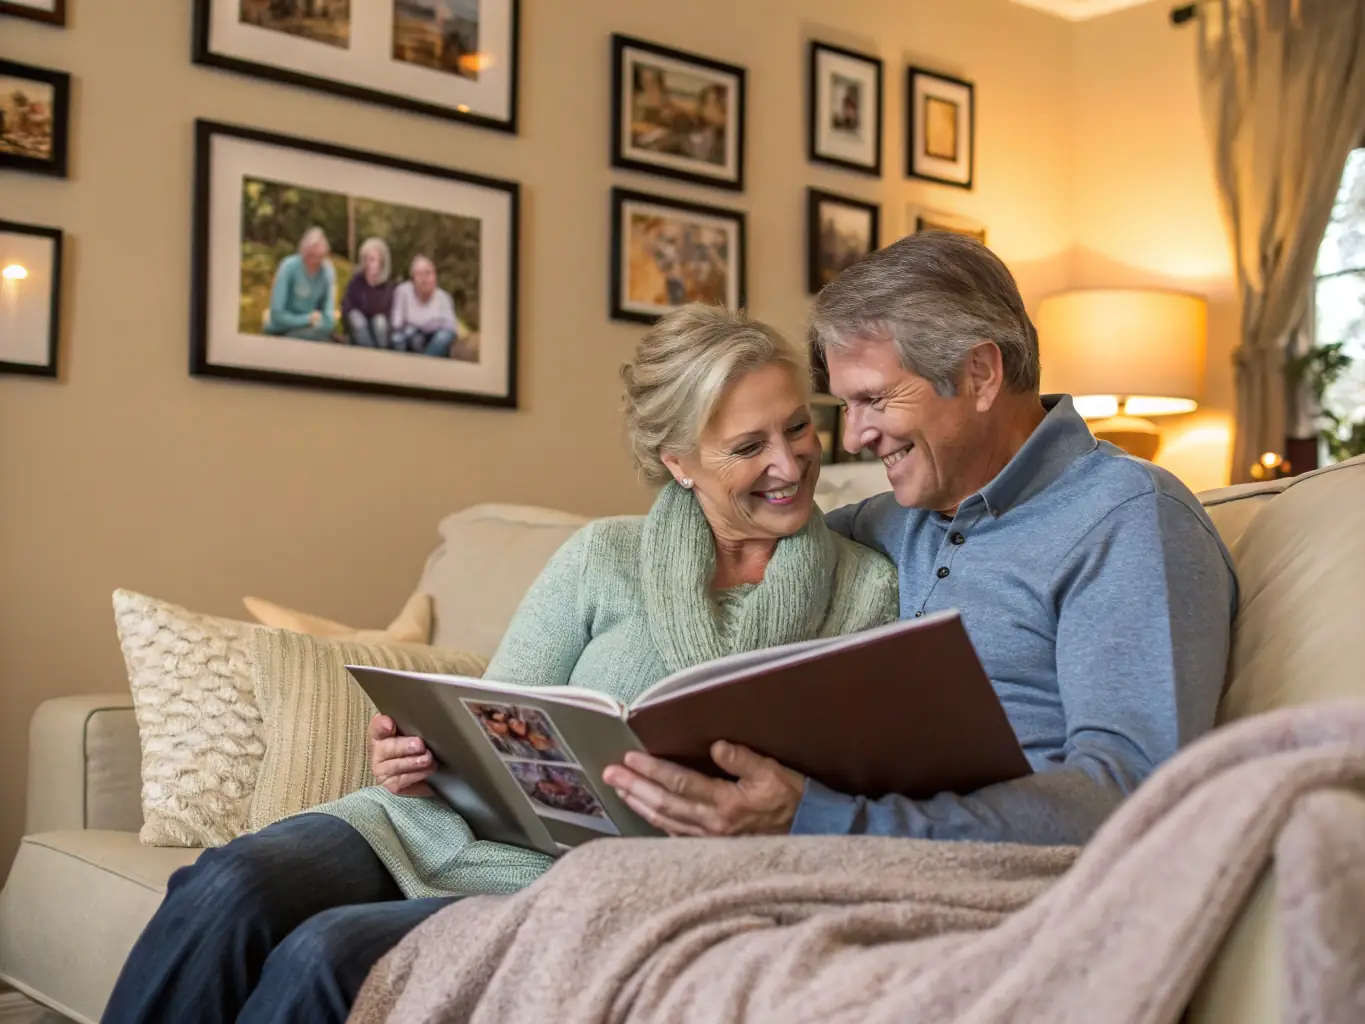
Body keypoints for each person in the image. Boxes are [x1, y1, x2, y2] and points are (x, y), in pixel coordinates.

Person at [99, 304, 899, 1024]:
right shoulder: (601, 556)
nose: (790, 466)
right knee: (227, 884)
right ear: (679, 461)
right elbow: (486, 716)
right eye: (748, 446)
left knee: (322, 954)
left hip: (581, 881)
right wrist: (415, 757)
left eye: (797, 428)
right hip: (435, 824)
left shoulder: (863, 590)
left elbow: (859, 784)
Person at [601, 230, 1238, 847]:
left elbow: (1132, 795)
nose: (851, 439)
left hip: (1012, 883)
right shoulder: (882, 524)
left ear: (981, 374)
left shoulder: (1127, 519)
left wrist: (820, 821)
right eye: (843, 407)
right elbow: (730, 532)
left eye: (874, 399)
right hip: (828, 858)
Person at [263, 226, 336, 341]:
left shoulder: (327, 271)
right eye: (312, 256)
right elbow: (277, 315)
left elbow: (329, 318)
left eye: (321, 257)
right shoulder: (288, 267)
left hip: (313, 330)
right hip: (283, 330)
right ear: (303, 252)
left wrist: (320, 323)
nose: (316, 262)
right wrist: (307, 319)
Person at [390, 255, 459, 357]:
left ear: (435, 276)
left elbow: (451, 328)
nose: (424, 279)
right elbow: (396, 323)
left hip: (434, 339)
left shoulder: (444, 298)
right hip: (409, 336)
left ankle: (424, 364)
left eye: (428, 273)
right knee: (401, 337)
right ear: (412, 279)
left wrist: (425, 326)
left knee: (443, 336)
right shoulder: (402, 291)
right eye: (420, 274)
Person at [342, 237, 395, 349]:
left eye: (372, 260)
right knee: (357, 319)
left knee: (379, 321)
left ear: (381, 262)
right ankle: (369, 354)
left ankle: (381, 355)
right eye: (365, 259)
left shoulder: (388, 286)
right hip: (361, 328)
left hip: (380, 328)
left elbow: (385, 310)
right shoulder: (357, 281)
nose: (368, 264)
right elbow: (346, 304)